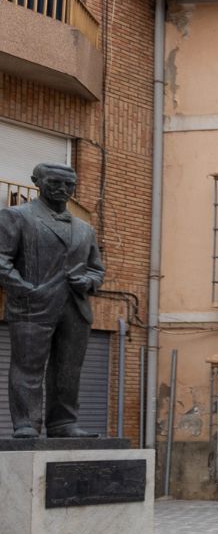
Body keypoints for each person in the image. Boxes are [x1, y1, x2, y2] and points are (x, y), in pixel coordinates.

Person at [0, 162, 104, 438]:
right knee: (27, 367)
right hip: (33, 304)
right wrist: (24, 289)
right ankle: (26, 424)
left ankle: (63, 423)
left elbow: (96, 268)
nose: (62, 189)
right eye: (55, 183)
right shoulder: (17, 216)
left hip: (75, 306)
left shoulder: (85, 229)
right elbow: (1, 259)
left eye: (69, 184)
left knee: (68, 370)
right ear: (37, 181)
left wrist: (89, 281)